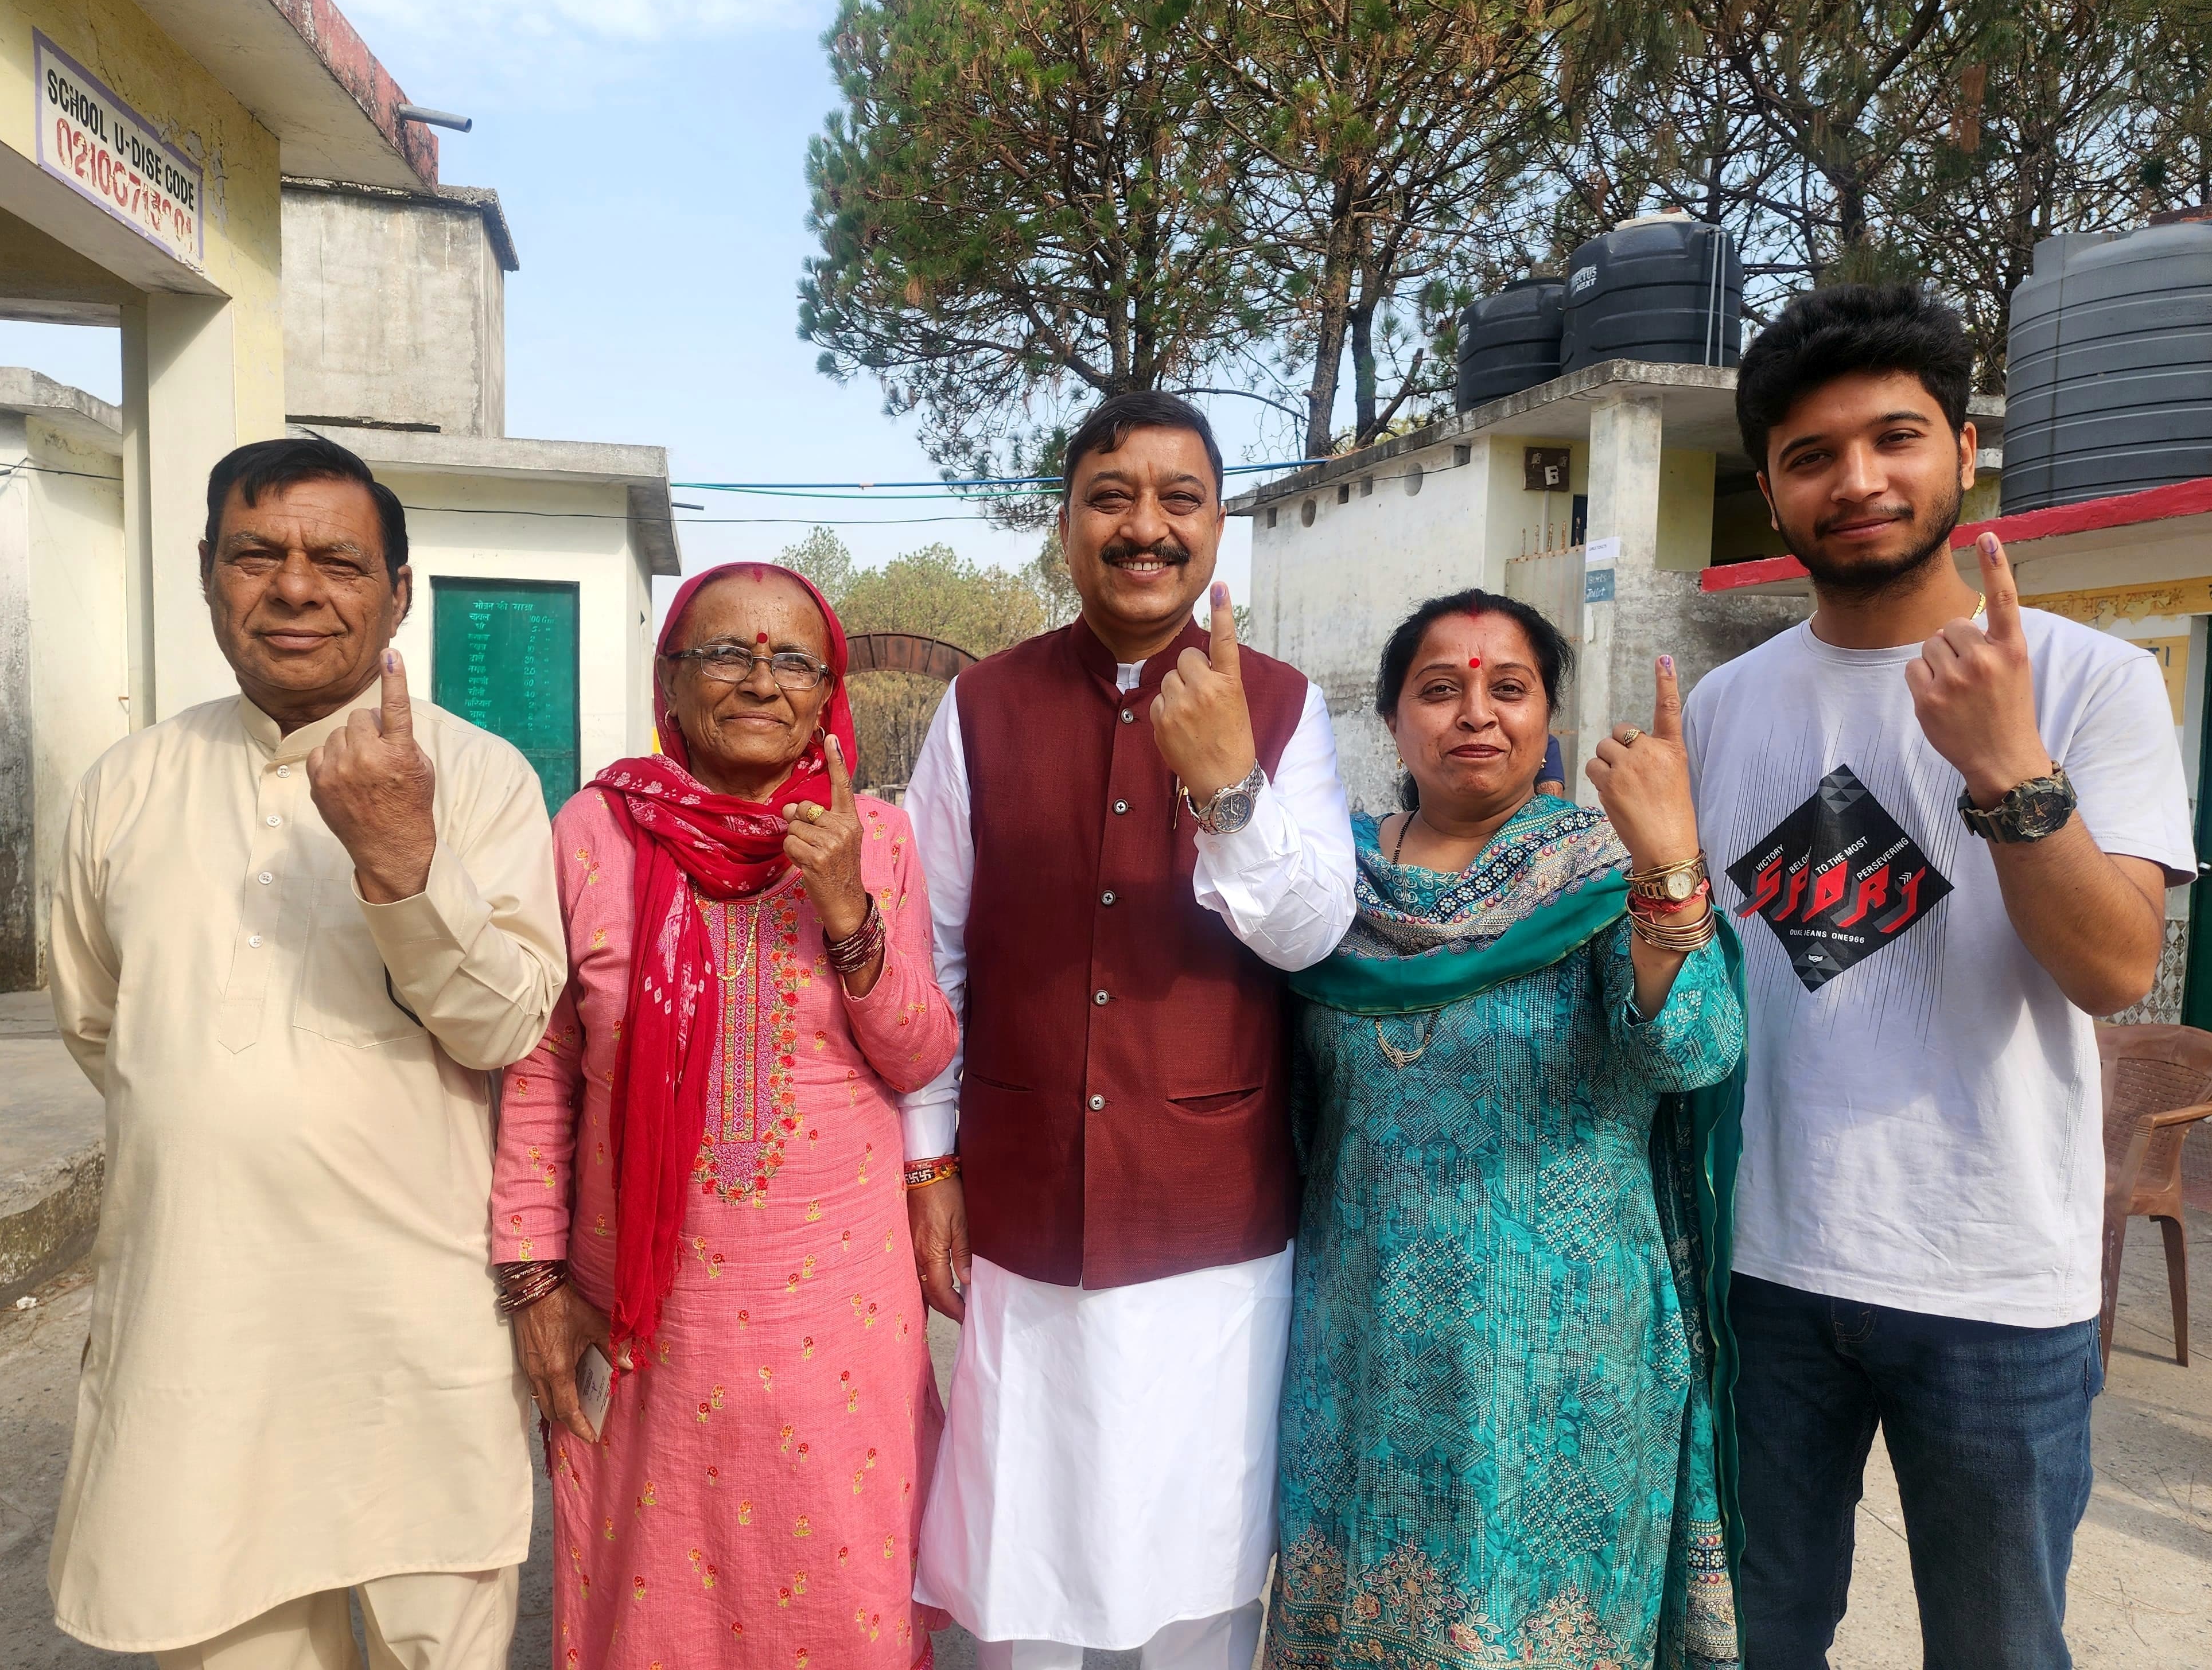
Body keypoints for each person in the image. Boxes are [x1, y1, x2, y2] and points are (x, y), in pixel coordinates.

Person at [1684, 283, 2196, 1668]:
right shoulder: (1722, 706)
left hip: (1991, 1279)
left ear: (1962, 453)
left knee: (1997, 1646)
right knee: (1751, 1636)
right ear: (1774, 495)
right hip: (1764, 1271)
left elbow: (2112, 967)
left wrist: (2004, 767)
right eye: (1808, 456)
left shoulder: (2090, 683)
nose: (1856, 480)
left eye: (1893, 437)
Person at [45, 438, 565, 1666]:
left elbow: (503, 1024)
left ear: (394, 591)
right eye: (255, 555)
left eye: (336, 560)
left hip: (410, 1340)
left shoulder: (481, 781)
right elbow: (103, 1029)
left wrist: (399, 857)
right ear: (206, 576)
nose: (293, 588)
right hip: (197, 1332)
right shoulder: (126, 786)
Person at [903, 391, 1358, 1670]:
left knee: (1195, 1552)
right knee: (1021, 1559)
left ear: (1219, 528)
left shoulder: (1279, 706)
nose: (1144, 527)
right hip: (1022, 1210)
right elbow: (933, 954)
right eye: (1111, 497)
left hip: (1208, 1216)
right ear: (1063, 524)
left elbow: (1312, 932)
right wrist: (927, 1163)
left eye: (1179, 500)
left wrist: (1228, 787)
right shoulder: (980, 707)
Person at [1267, 590, 1746, 1669]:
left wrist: (1670, 862)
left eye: (1508, 688)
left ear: (1549, 726)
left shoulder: (1600, 873)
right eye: (1440, 689)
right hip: (1361, 1347)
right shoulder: (1324, 886)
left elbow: (1692, 1050)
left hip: (1564, 1363)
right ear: (1392, 721)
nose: (1475, 712)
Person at [491, 563, 958, 1670]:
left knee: (844, 1582)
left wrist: (845, 906)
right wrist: (532, 1277)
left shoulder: (876, 837)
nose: (761, 680)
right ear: (671, 678)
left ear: (828, 690)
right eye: (726, 653)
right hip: (652, 1316)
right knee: (660, 1595)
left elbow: (923, 1050)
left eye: (793, 658)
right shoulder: (596, 832)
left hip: (838, 1323)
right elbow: (544, 1067)